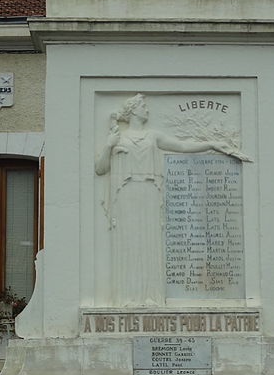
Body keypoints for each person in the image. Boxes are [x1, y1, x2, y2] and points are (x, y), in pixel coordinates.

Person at [95, 94, 238, 306]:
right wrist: (108, 145)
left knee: (149, 243)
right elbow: (100, 169)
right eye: (143, 106)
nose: (148, 110)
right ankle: (128, 298)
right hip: (126, 195)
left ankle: (150, 296)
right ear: (133, 110)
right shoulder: (118, 137)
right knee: (129, 244)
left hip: (150, 193)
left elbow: (181, 146)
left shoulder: (153, 136)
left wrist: (212, 144)